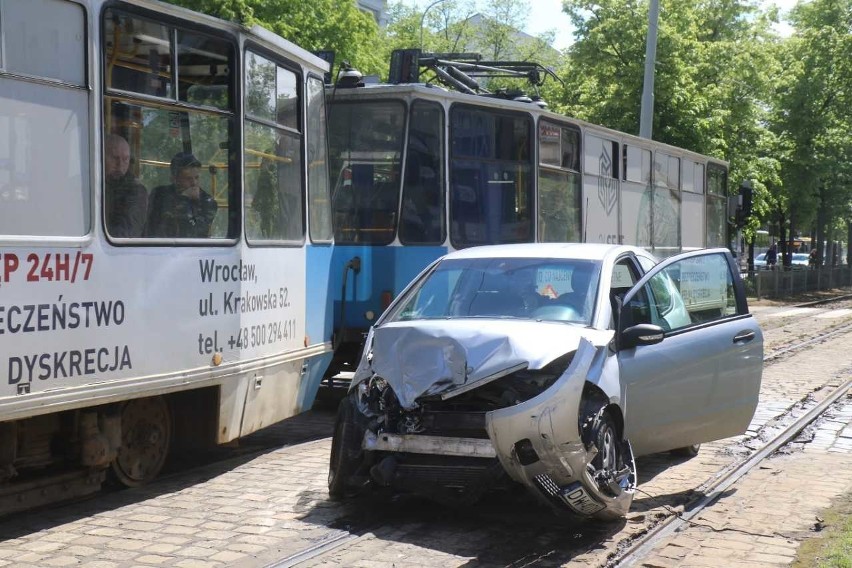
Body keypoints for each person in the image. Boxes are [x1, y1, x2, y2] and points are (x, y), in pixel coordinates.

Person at [146, 152, 218, 238]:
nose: (194, 183)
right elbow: (152, 228)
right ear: (174, 179)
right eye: (188, 178)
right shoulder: (160, 195)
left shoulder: (207, 202)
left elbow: (193, 232)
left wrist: (184, 200)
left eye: (197, 177)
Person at [104, 134, 148, 237]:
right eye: (115, 158)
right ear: (100, 156)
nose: (120, 165)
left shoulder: (135, 190)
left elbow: (125, 233)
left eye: (125, 159)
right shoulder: (84, 182)